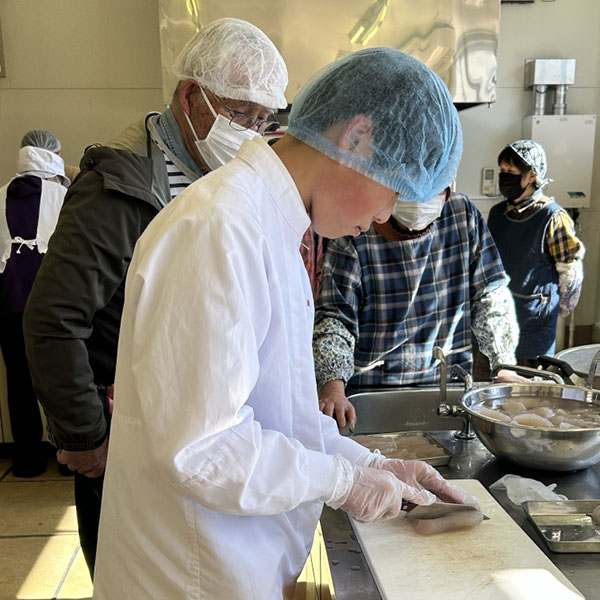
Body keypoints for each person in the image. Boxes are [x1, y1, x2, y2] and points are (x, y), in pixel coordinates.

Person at [92, 48, 479, 600]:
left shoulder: (271, 225)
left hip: (238, 563)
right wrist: (343, 482)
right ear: (357, 137)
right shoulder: (221, 228)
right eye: (393, 191)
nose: (381, 217)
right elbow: (203, 447)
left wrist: (373, 464)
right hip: (192, 576)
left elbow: (285, 418)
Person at [23, 17, 287, 576]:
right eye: (239, 114)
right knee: (134, 574)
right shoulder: (117, 187)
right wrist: (86, 435)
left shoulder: (224, 176)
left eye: (262, 120)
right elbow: (53, 318)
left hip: (197, 437)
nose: (251, 132)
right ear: (190, 97)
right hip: (127, 437)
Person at [313, 183, 523, 428]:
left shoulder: (462, 214)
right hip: (372, 389)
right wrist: (333, 385)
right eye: (405, 193)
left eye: (431, 191)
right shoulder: (358, 222)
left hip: (446, 385)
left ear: (445, 188)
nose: (418, 204)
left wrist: (503, 365)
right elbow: (336, 315)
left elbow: (489, 295)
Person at [0, 130, 69, 477]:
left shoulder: (0, 196)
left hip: (8, 302)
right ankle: (70, 456)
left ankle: (28, 460)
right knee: (64, 378)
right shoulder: (66, 196)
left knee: (18, 381)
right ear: (54, 156)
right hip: (56, 302)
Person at [487, 139, 585, 366]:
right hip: (495, 320)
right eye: (502, 171)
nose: (504, 177)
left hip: (532, 325)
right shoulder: (497, 213)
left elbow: (571, 272)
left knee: (527, 386)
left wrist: (562, 307)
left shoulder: (552, 217)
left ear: (531, 174)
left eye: (510, 171)